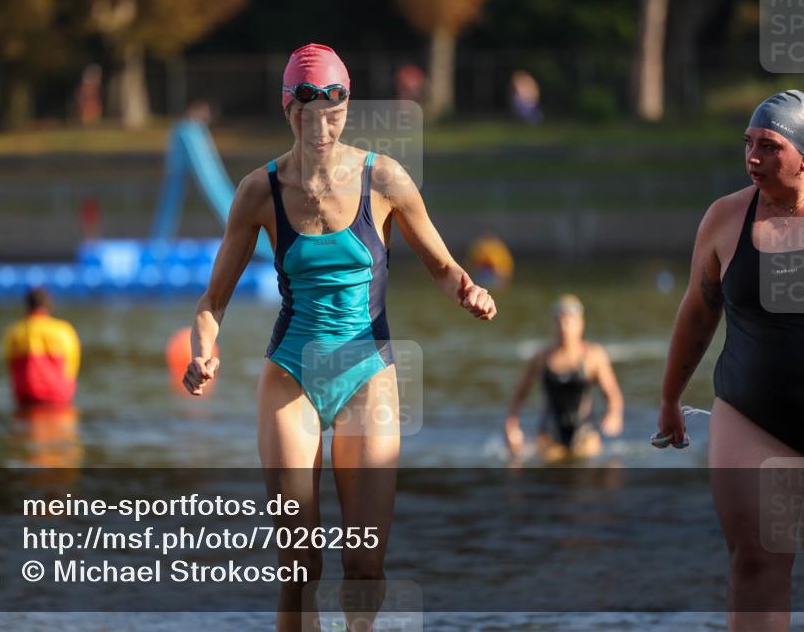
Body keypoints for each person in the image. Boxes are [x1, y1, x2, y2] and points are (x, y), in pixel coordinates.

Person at [182, 43, 496, 631]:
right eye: (308, 110)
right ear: (288, 111)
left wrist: (468, 291)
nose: (321, 124)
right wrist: (204, 353)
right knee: (299, 563)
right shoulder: (260, 191)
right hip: (290, 374)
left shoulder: (386, 179)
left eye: (334, 109)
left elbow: (444, 267)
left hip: (367, 373)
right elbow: (211, 303)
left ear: (347, 108)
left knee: (364, 564)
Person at [655, 90, 804, 631]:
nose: (753, 157)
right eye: (748, 143)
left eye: (770, 146)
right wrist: (669, 399)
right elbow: (698, 312)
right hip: (751, 415)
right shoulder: (726, 218)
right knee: (755, 562)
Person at [504, 294, 624, 463]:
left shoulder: (594, 356)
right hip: (549, 435)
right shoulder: (541, 357)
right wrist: (511, 428)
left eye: (569, 321)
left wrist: (613, 415)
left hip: (585, 433)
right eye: (559, 321)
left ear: (581, 324)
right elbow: (518, 397)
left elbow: (613, 395)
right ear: (552, 324)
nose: (564, 327)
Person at [3, 288, 81, 413]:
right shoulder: (63, 330)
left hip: (25, 394)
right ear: (49, 305)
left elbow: (9, 364)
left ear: (27, 305)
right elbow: (72, 367)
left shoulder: (14, 332)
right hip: (57, 395)